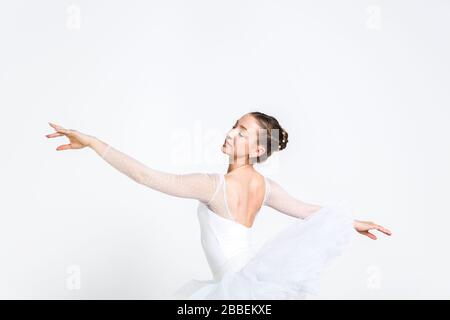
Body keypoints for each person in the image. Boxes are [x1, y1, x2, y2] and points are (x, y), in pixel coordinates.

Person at [45, 111, 392, 299]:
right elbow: (307, 211)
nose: (230, 134)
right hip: (257, 284)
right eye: (233, 126)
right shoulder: (266, 187)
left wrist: (92, 142)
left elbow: (145, 177)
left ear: (258, 149)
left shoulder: (214, 186)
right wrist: (354, 222)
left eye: (242, 132)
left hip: (236, 289)